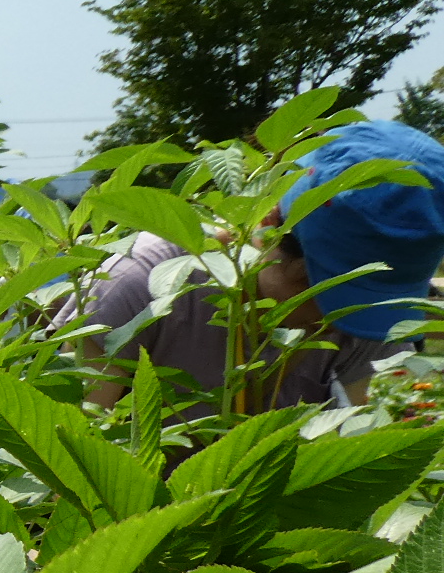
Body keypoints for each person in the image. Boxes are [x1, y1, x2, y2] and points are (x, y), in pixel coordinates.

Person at [83, 119, 444, 415]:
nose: (335, 323)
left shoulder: (366, 321)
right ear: (268, 227)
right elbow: (78, 442)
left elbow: (344, 441)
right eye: (320, 288)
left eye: (372, 302)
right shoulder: (141, 282)